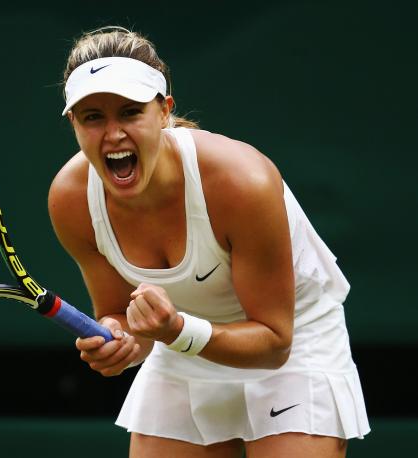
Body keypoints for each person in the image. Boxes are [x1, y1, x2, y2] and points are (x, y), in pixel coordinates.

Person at [48, 26, 370, 458]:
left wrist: (175, 330)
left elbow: (275, 342)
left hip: (292, 351)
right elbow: (120, 315)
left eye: (130, 112)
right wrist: (120, 339)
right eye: (93, 117)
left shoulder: (242, 181)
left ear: (165, 111)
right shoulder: (71, 200)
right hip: (181, 351)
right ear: (73, 123)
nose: (113, 134)